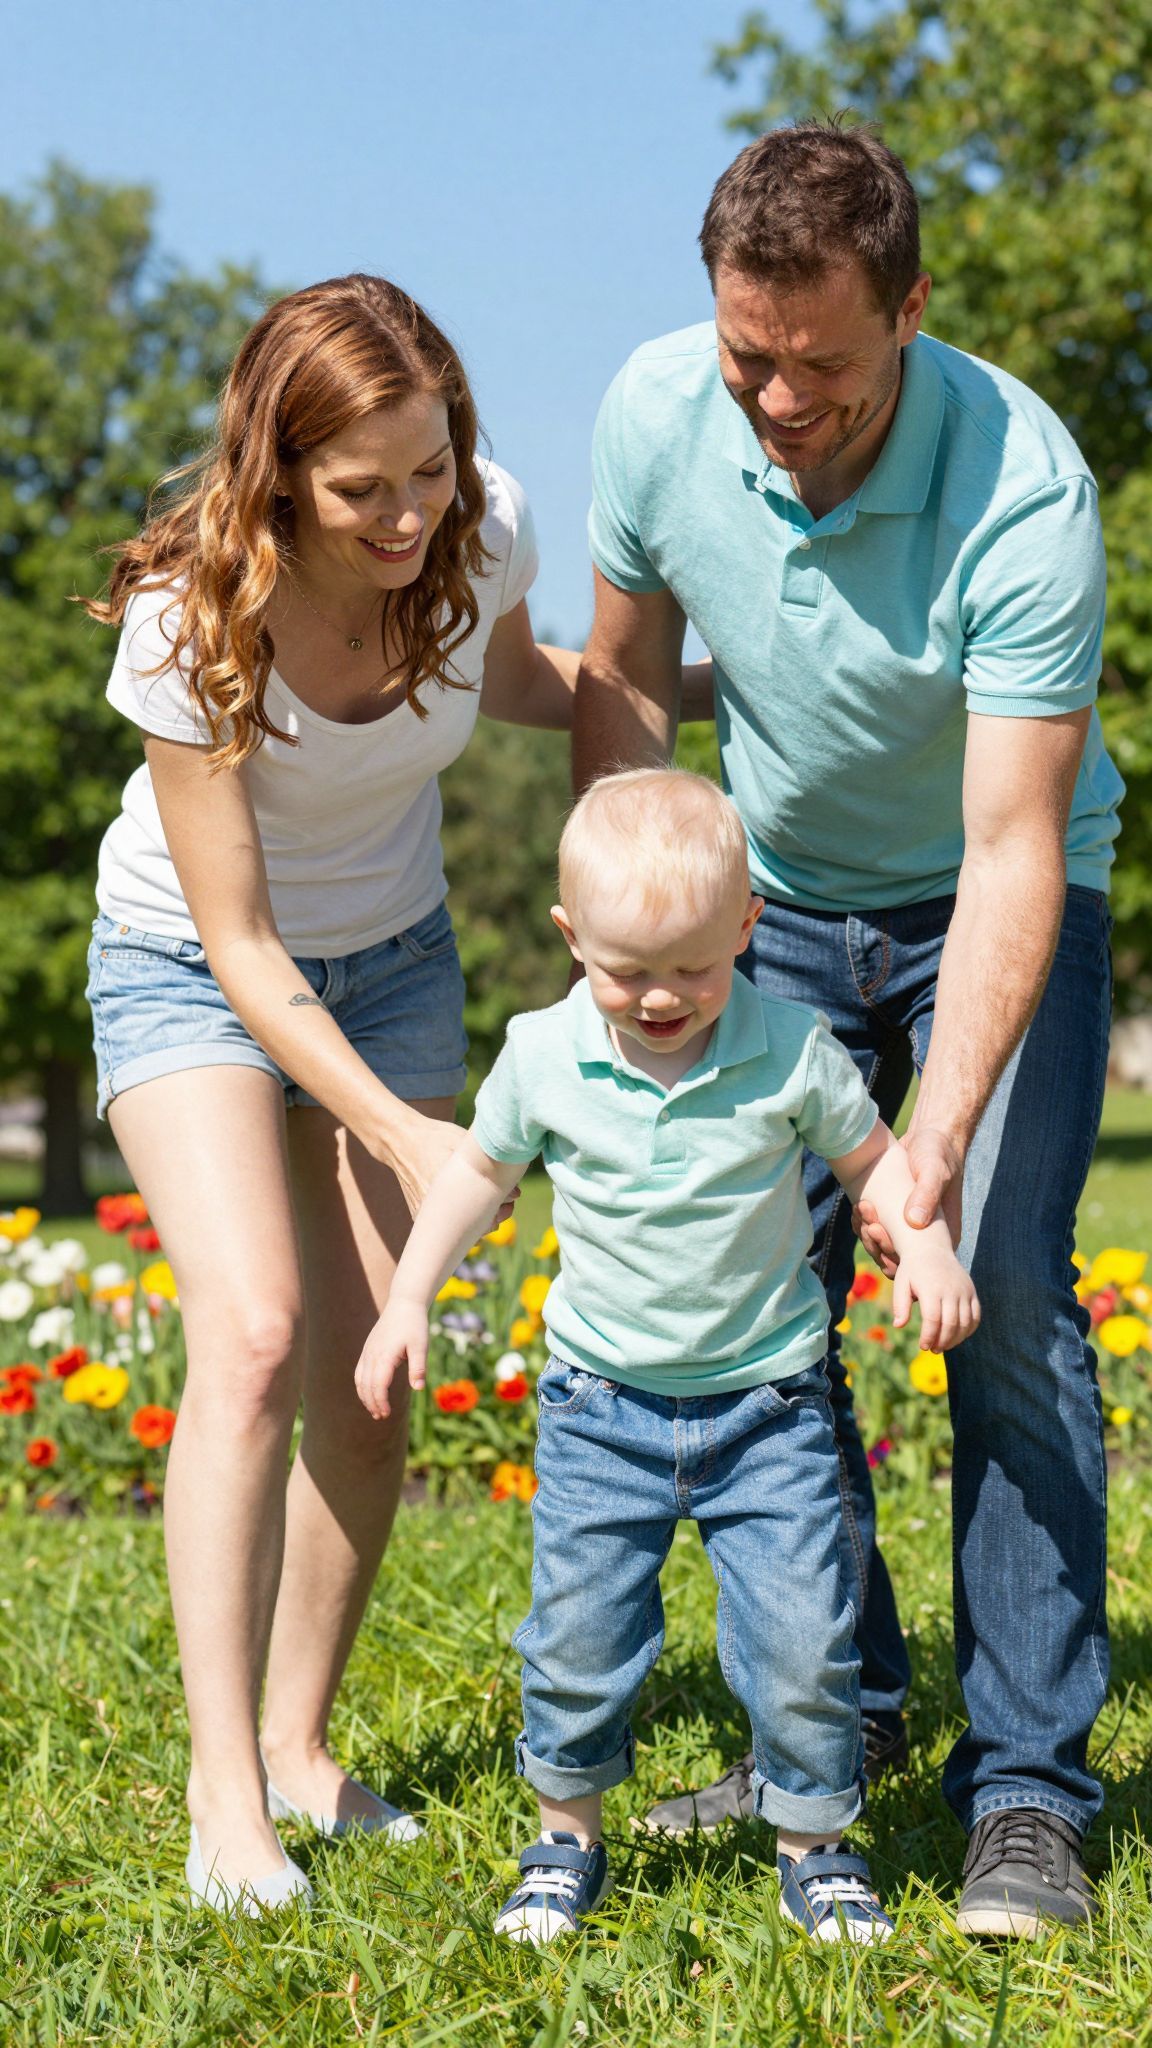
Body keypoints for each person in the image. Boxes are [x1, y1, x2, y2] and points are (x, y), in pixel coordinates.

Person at [572, 124, 1119, 1937]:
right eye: (752, 357)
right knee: (756, 1296)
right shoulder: (660, 413)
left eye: (823, 362)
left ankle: (1027, 1789)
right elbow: (627, 686)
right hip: (781, 902)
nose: (781, 400)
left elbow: (1010, 844)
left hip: (992, 895)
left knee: (1007, 1281)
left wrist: (928, 1158)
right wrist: (636, 937)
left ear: (910, 308)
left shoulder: (1023, 486)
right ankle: (837, 1715)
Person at [84, 274, 584, 1914]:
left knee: (371, 1384)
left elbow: (512, 680)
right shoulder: (190, 621)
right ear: (279, 471)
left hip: (397, 955)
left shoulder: (480, 525)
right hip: (191, 967)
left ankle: (299, 1747)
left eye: (430, 468)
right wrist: (405, 1130)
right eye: (365, 488)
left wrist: (728, 685)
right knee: (251, 1336)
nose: (410, 514)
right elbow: (239, 945)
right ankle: (223, 1801)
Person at [355, 769, 980, 1947]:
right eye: (626, 969)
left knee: (804, 1638)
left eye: (694, 967)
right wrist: (405, 1296)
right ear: (570, 936)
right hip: (602, 1409)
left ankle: (815, 1847)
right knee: (578, 1636)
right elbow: (475, 1177)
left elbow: (872, 1161)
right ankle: (566, 1837)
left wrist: (928, 1240)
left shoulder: (791, 1045)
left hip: (769, 1407)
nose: (659, 996)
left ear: (748, 925)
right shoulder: (542, 1051)